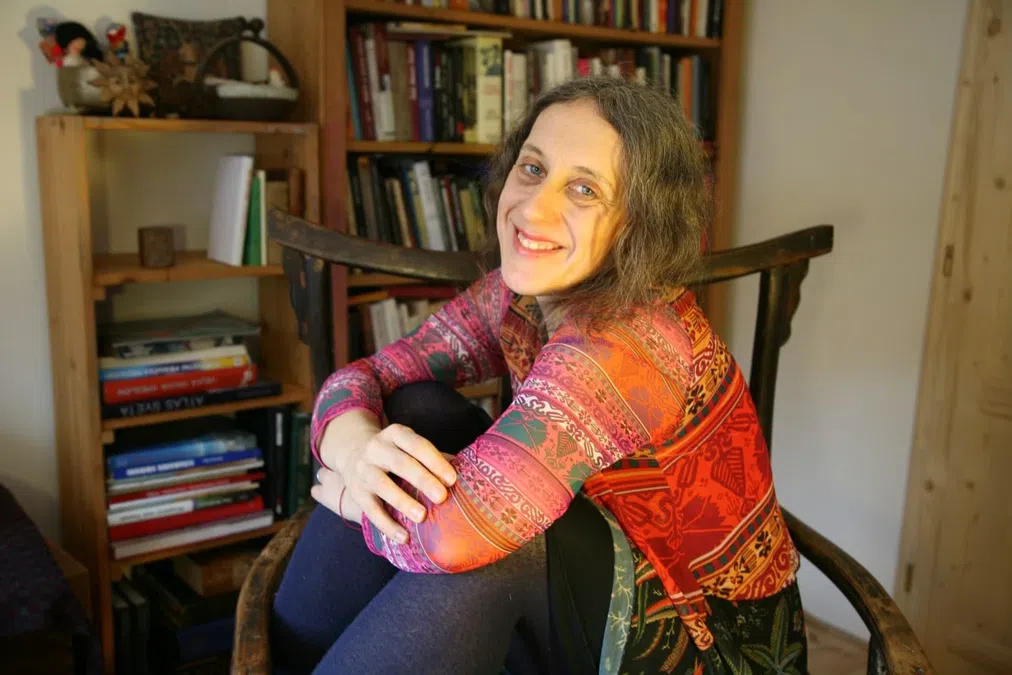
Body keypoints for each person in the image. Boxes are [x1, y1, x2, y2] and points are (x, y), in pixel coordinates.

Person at [272, 76, 808, 675]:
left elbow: (457, 538)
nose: (533, 209)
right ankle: (288, 661)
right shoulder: (517, 294)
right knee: (414, 410)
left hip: (706, 635)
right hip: (596, 568)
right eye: (532, 169)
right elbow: (370, 375)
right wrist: (353, 450)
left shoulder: (627, 343)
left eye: (583, 189)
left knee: (498, 544)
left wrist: (355, 501)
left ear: (638, 223)